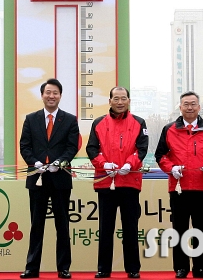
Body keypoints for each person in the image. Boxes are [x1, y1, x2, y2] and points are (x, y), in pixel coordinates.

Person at [154, 91, 203, 279]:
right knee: (180, 228)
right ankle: (181, 267)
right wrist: (171, 168)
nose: (190, 107)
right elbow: (160, 156)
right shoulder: (169, 129)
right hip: (179, 187)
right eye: (186, 104)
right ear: (180, 107)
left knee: (201, 227)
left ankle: (200, 268)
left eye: (193, 104)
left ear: (199, 107)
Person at [19, 78, 80, 279]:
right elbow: (25, 146)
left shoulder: (70, 120)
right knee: (37, 224)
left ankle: (63, 267)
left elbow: (72, 147)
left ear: (60, 96)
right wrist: (35, 162)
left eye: (55, 93)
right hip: (37, 178)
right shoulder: (31, 119)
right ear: (42, 95)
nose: (51, 96)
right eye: (48, 92)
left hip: (60, 178)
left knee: (62, 224)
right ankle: (31, 267)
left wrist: (60, 163)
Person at [86, 86, 148, 279]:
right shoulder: (98, 123)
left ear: (129, 100)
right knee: (105, 228)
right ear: (110, 101)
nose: (120, 102)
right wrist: (104, 164)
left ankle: (133, 268)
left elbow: (142, 148)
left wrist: (130, 164)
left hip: (130, 182)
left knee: (130, 227)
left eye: (123, 98)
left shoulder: (139, 122)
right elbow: (91, 149)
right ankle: (104, 268)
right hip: (106, 183)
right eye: (116, 98)